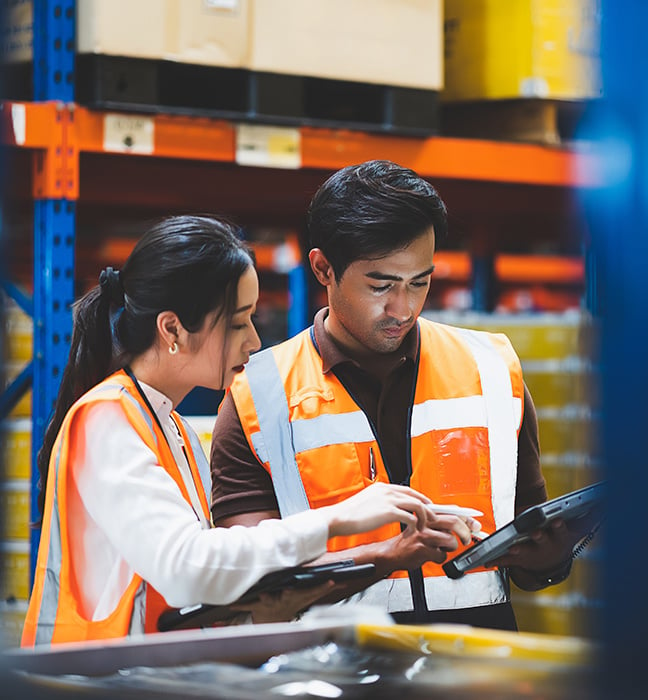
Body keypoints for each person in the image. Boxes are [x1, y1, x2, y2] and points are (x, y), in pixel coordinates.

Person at [21, 214, 474, 647]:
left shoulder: (170, 427)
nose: (255, 341)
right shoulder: (105, 418)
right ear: (172, 329)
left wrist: (275, 607)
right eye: (238, 322)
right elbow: (185, 567)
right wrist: (336, 518)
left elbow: (183, 602)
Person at [210, 161, 578, 631]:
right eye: (380, 285)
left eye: (419, 282)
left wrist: (549, 556)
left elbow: (527, 548)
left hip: (473, 673)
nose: (402, 308)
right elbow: (248, 581)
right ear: (324, 268)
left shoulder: (492, 370)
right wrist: (388, 556)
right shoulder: (257, 398)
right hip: (333, 675)